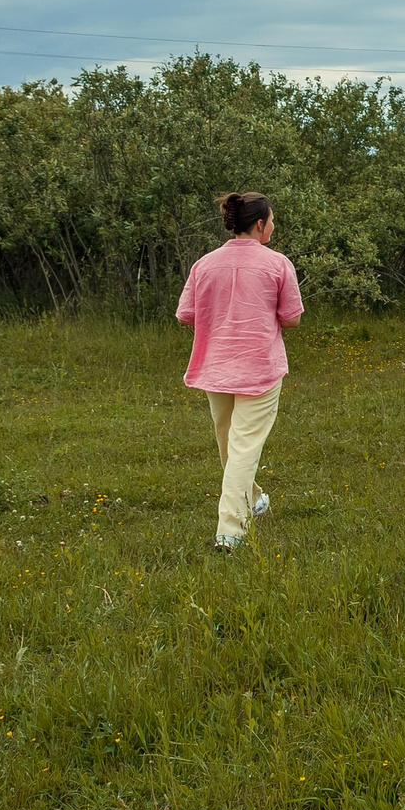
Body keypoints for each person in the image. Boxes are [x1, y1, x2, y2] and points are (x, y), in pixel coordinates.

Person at [176, 192, 304, 551]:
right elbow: (291, 319)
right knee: (242, 447)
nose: (274, 226)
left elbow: (186, 315)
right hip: (259, 368)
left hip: (216, 366)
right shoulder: (278, 264)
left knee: (230, 444)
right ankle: (230, 532)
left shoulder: (204, 264)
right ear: (260, 224)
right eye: (272, 221)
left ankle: (255, 499)